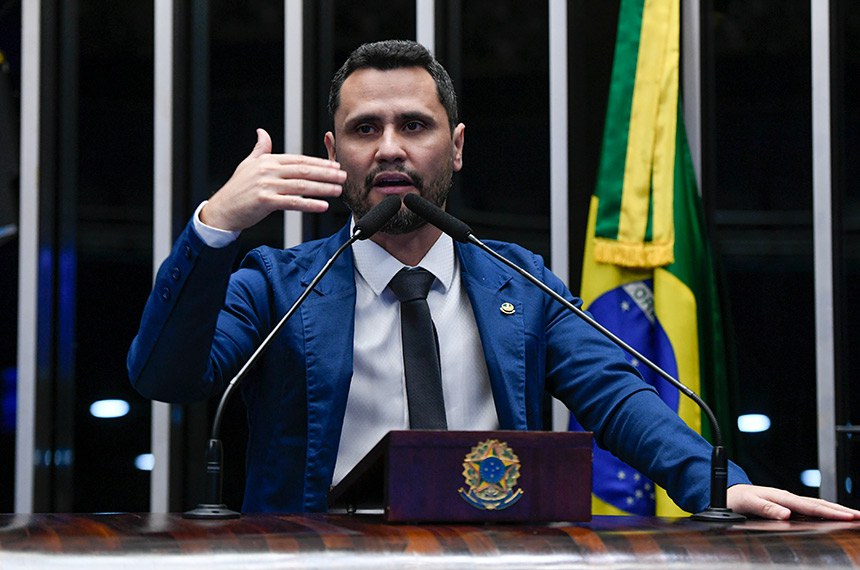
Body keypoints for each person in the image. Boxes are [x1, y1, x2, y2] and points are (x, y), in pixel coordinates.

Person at [128, 40, 859, 521]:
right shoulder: (275, 285)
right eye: (364, 129)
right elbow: (166, 376)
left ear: (457, 146)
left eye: (415, 125)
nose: (390, 148)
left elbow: (618, 397)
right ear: (333, 152)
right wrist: (214, 226)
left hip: (492, 554)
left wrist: (718, 484)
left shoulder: (520, 280)